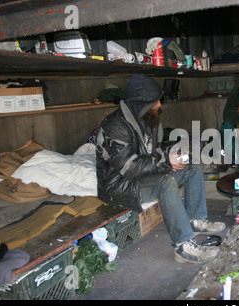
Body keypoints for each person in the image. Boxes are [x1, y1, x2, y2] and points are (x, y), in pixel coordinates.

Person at [95, 73, 225, 264]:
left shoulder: (148, 120)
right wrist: (165, 160)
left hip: (143, 174)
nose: (159, 106)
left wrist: (173, 152)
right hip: (120, 186)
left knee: (192, 165)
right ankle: (183, 246)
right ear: (143, 103)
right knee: (166, 181)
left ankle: (196, 219)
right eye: (155, 102)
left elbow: (153, 150)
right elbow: (129, 167)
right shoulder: (115, 126)